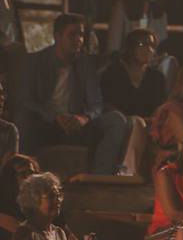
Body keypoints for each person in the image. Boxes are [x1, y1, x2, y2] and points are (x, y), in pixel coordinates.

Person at [16, 14, 131, 175]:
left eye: (81, 35)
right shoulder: (36, 61)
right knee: (24, 118)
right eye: (72, 34)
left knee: (117, 120)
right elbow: (25, 100)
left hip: (76, 124)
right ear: (57, 36)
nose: (79, 39)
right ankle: (27, 176)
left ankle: (99, 176)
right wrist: (55, 116)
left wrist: (84, 118)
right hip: (47, 125)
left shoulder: (85, 64)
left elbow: (96, 102)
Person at [101, 27, 167, 123]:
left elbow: (160, 108)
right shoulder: (113, 73)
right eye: (142, 44)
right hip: (119, 125)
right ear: (130, 48)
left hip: (150, 126)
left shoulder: (157, 77)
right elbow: (107, 105)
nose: (148, 49)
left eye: (152, 45)